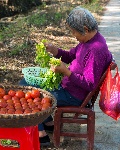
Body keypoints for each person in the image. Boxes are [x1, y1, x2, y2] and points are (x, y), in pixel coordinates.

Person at [19, 6, 113, 146]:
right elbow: (70, 56)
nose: (73, 35)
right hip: (68, 88)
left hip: (74, 96)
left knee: (30, 92)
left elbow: (90, 83)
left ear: (85, 29)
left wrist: (66, 72)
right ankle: (48, 122)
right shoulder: (87, 41)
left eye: (74, 32)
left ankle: (41, 135)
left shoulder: (95, 50)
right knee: (25, 82)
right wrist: (55, 51)